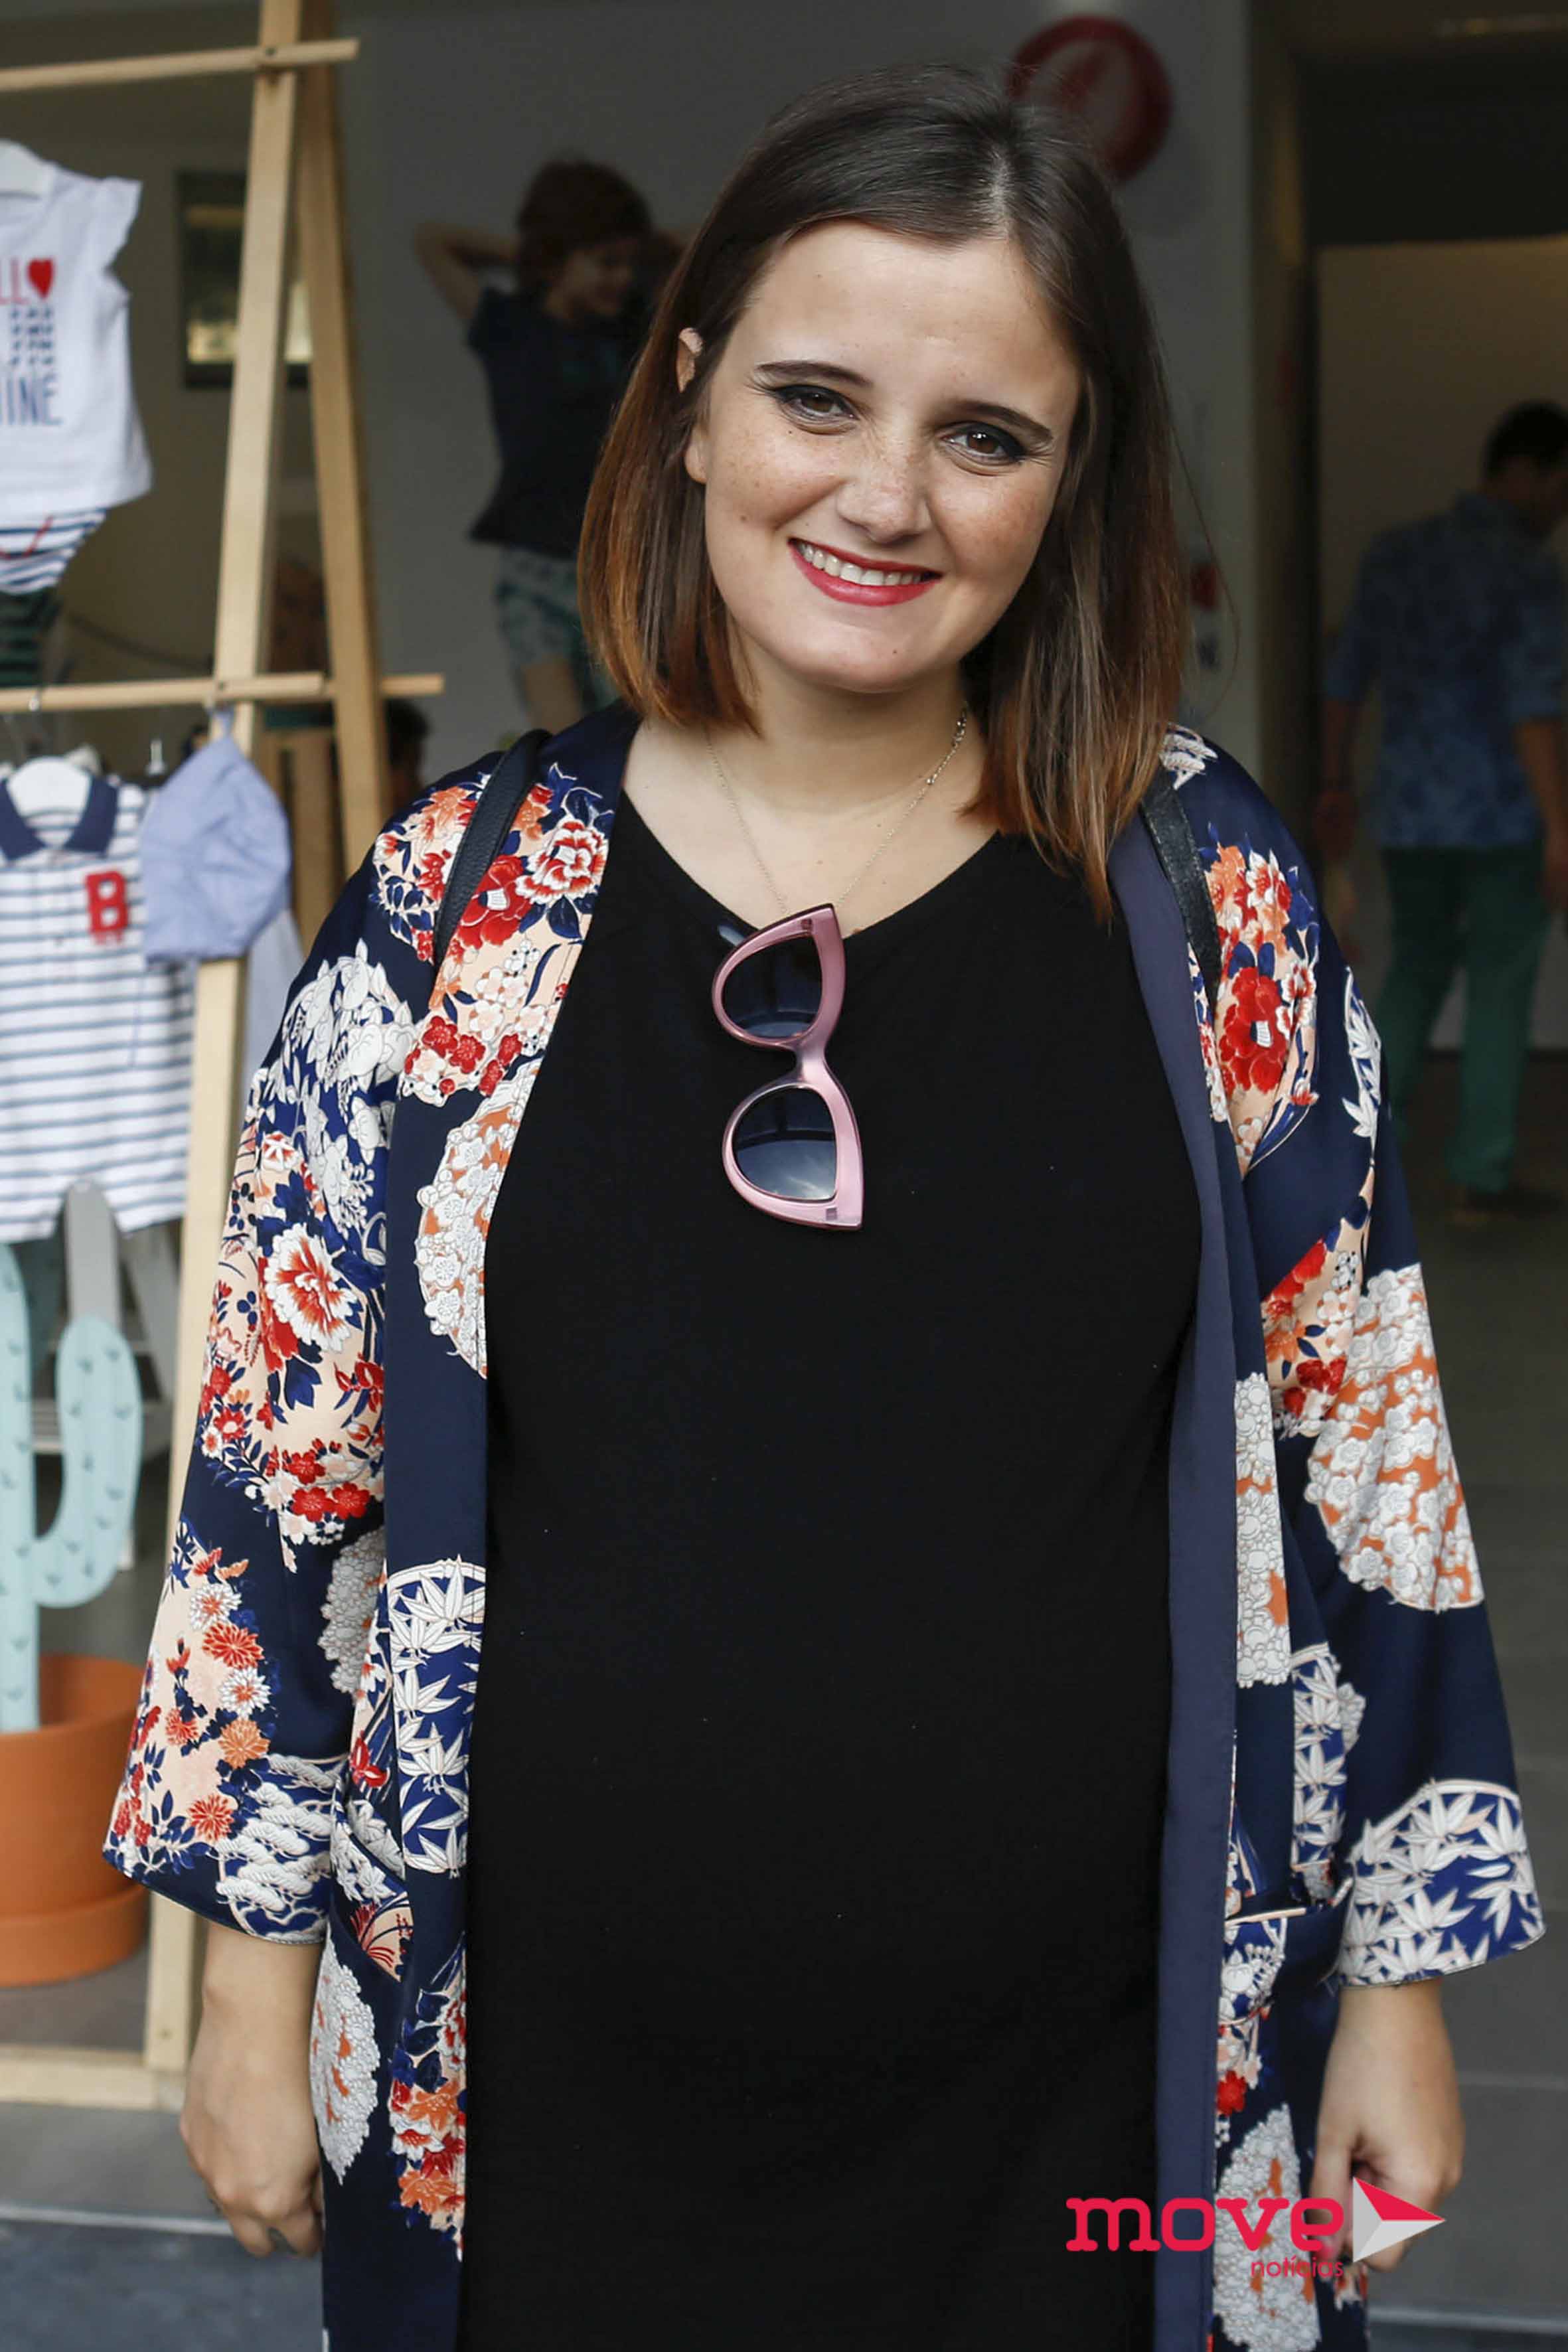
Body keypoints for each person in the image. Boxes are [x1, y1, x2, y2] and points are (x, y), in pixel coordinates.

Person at [104, 63, 1542, 2352]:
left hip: (1103, 2114)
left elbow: (1374, 1463)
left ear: (1075, 476)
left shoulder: (1211, 896)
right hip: (541, 2104)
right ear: (686, 402)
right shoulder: (462, 901)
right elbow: (278, 1474)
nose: (885, 495)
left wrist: (1394, 1987)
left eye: (986, 433)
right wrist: (252, 1996)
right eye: (813, 397)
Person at [1316, 402, 1568, 1223]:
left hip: (1411, 813)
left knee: (1416, 969)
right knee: (1499, 987)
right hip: (1503, 820)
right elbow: (1532, 711)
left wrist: (1335, 782)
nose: (1560, 508)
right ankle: (1478, 1178)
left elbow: (1345, 678)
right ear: (1527, 472)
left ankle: (1351, 1162)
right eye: (1560, 487)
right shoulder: (1527, 571)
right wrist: (1560, 828)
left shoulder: (1397, 556)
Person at [415, 160, 673, 734]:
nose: (622, 277)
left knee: (631, 727)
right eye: (606, 262)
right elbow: (433, 240)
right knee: (560, 727)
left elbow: (700, 244)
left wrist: (620, 256)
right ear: (559, 258)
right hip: (533, 569)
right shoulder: (510, 328)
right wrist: (535, 257)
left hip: (617, 566)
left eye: (629, 264)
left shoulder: (631, 328)